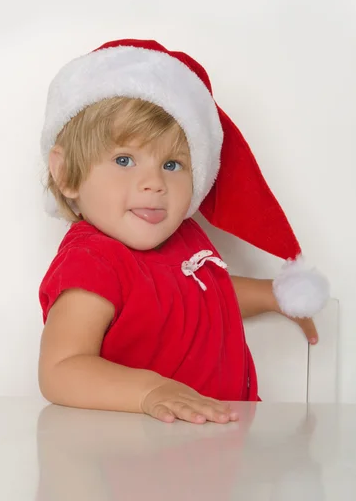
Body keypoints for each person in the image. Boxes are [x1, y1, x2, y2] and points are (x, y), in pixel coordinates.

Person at [38, 39, 329, 424]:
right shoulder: (94, 261)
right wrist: (150, 391)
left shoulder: (184, 239)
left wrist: (272, 295)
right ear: (65, 173)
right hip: (138, 459)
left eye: (173, 164)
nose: (154, 183)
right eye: (124, 159)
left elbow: (203, 294)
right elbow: (61, 368)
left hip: (212, 451)